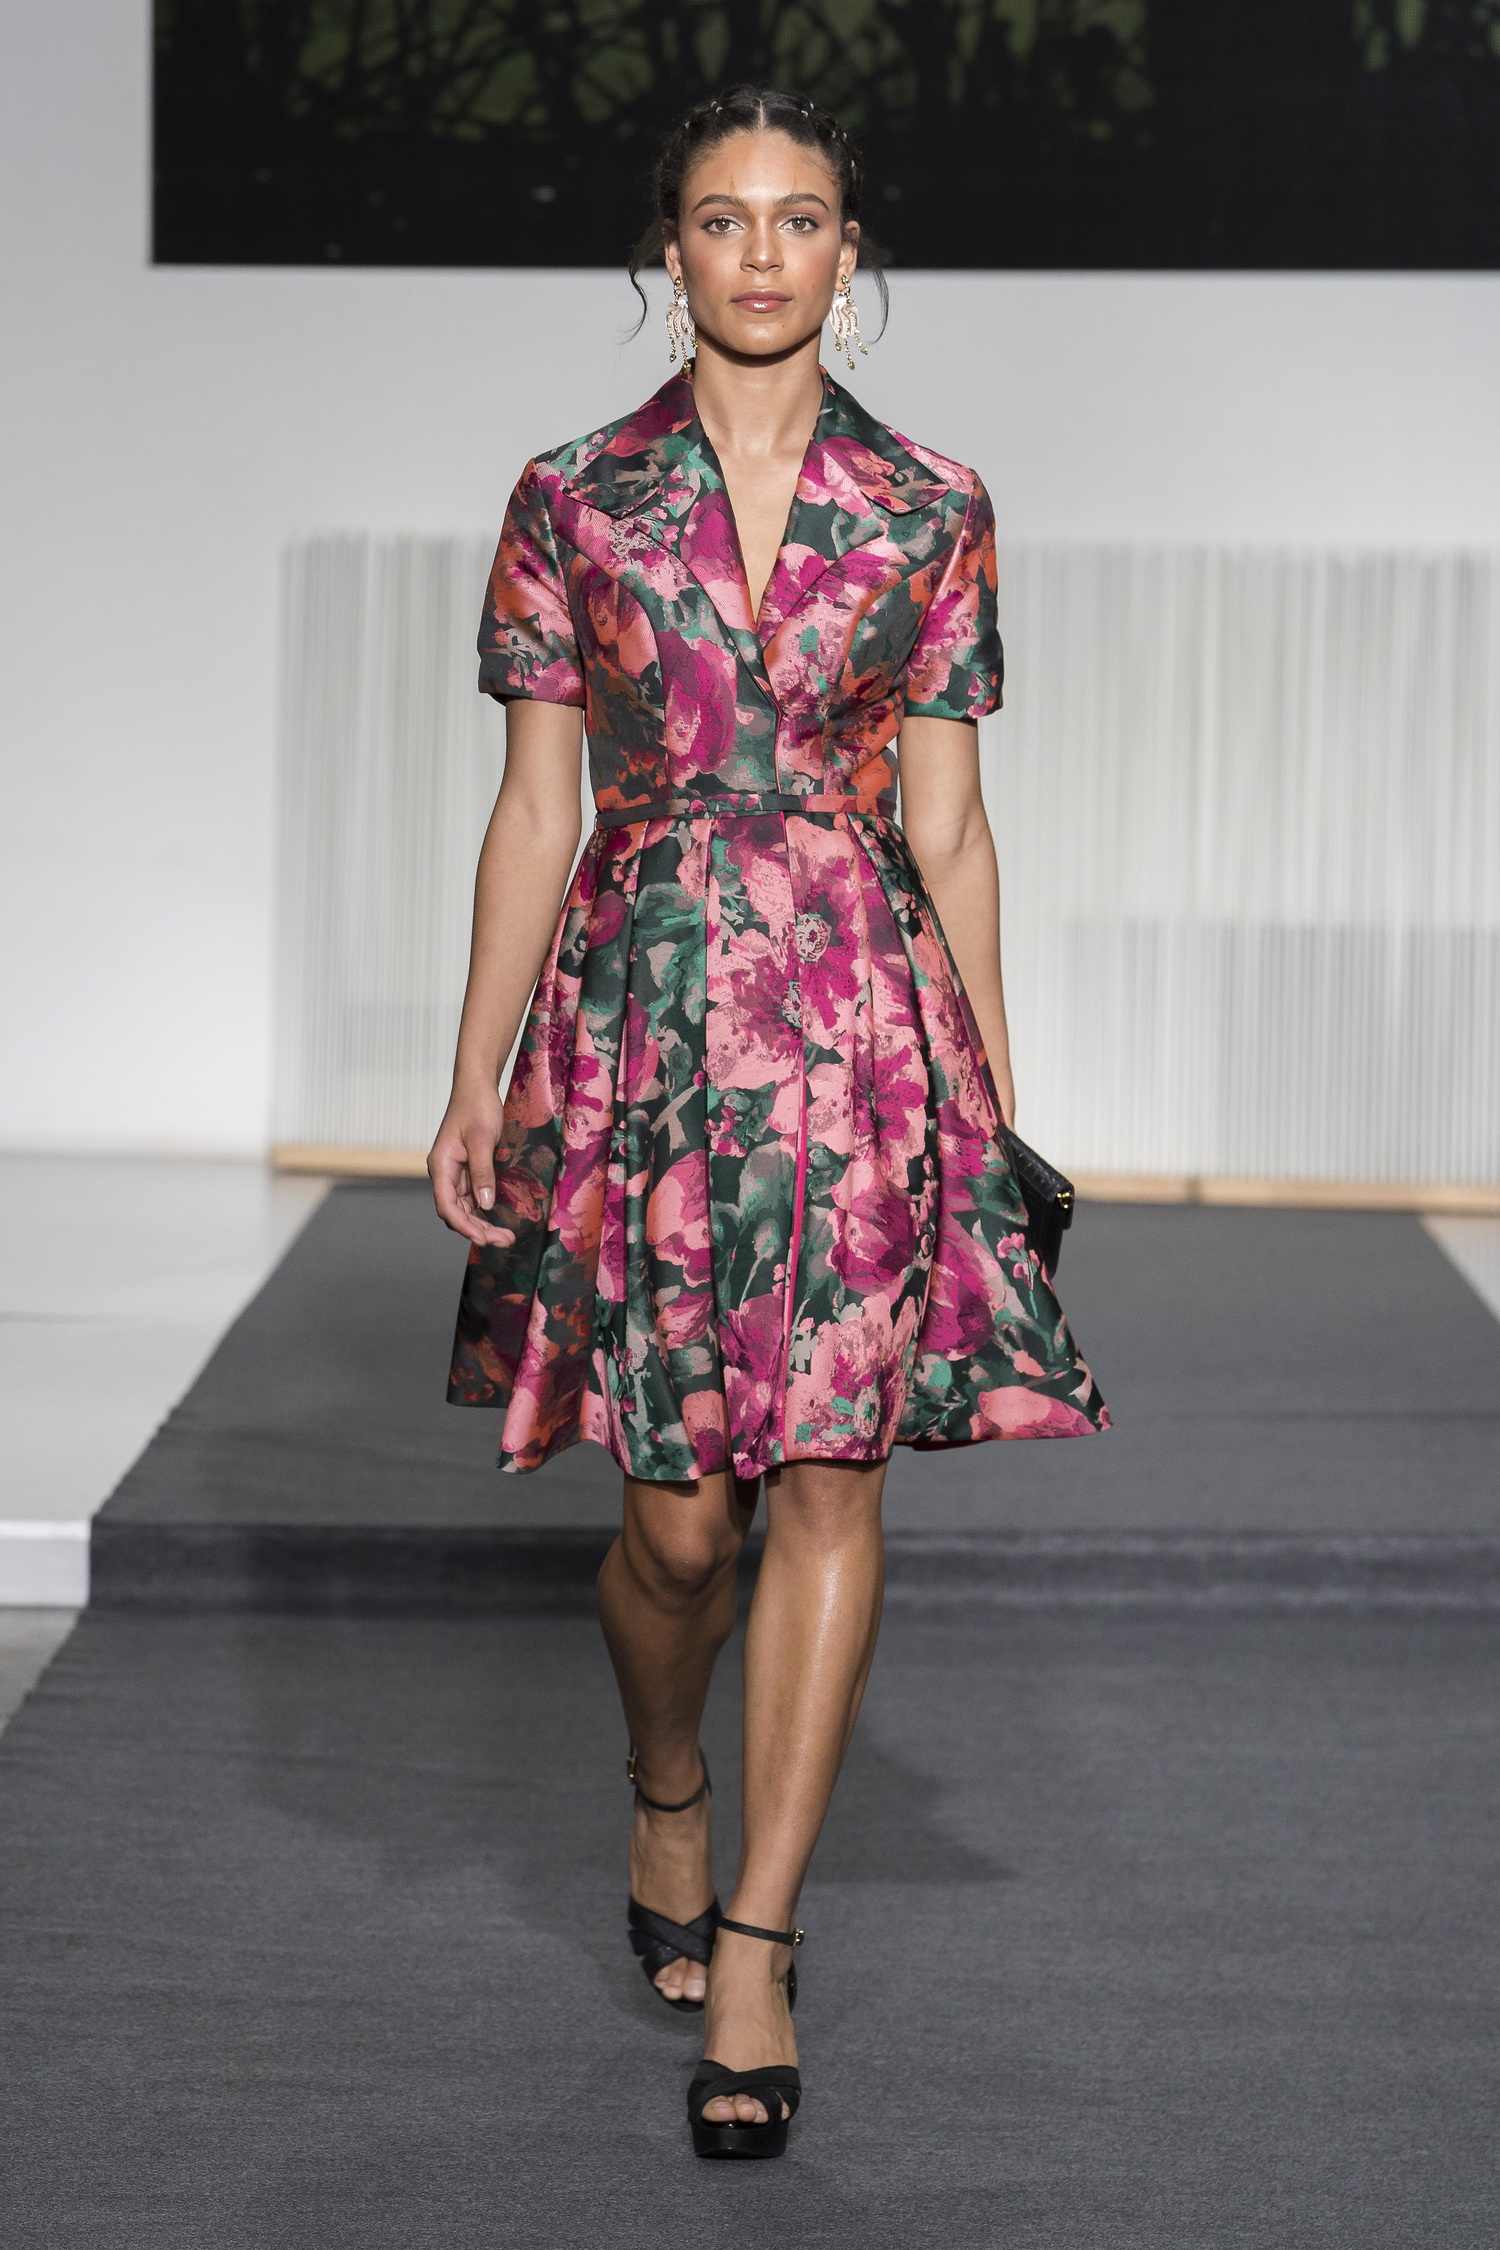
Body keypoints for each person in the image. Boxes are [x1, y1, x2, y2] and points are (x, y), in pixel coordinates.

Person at [428, 83, 1108, 2160]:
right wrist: (473, 1071)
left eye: (798, 217)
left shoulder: (929, 505)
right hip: (640, 1026)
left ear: (849, 252)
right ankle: (665, 1777)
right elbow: (535, 804)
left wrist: (987, 1101)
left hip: (860, 1030)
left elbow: (954, 827)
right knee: (675, 1528)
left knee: (825, 1481)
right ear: (673, 251)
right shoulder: (574, 497)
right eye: (721, 218)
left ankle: (757, 1945)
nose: (759, 252)